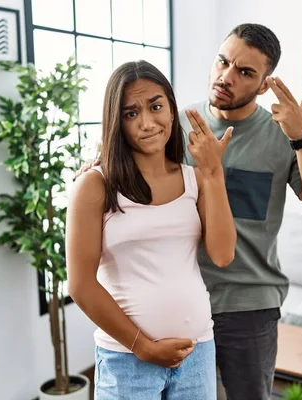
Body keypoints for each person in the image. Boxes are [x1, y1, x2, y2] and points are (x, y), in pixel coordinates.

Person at [78, 23, 302, 400]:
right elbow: (128, 173)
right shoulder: (171, 125)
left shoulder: (280, 136)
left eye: (245, 72)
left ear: (265, 84)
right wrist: (99, 162)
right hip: (178, 303)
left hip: (247, 304)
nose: (226, 76)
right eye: (223, 61)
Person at [66, 60, 237, 400]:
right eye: (130, 114)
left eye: (156, 106)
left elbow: (222, 254)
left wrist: (214, 173)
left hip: (197, 351)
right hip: (127, 359)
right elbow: (80, 285)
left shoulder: (196, 179)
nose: (147, 123)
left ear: (172, 110)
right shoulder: (95, 185)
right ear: (116, 122)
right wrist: (142, 346)